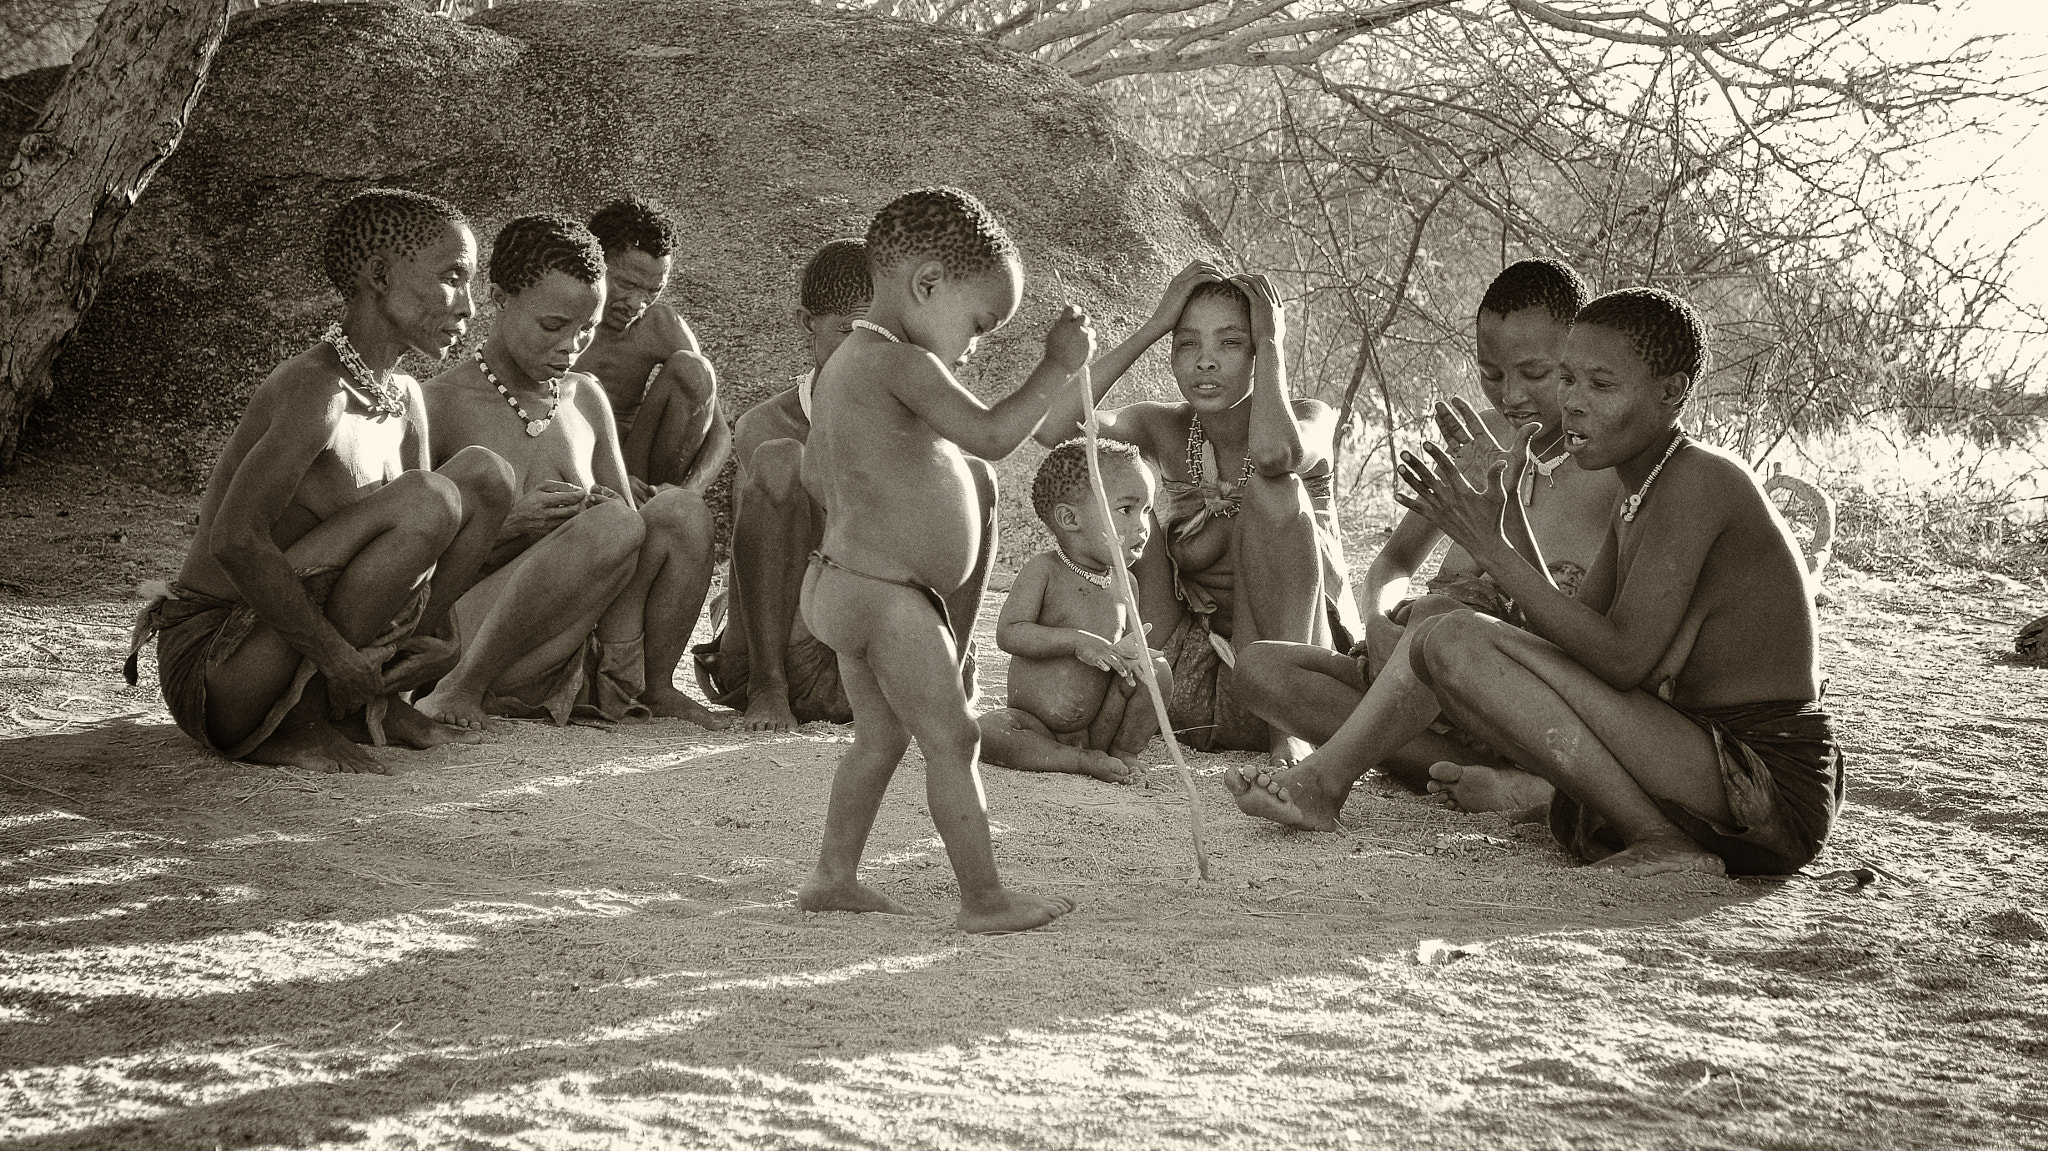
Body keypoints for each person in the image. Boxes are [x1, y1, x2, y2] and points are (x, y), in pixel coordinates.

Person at [1229, 287, 1844, 880]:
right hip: (1686, 754)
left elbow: (1624, 660)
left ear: (1671, 391)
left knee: (1452, 637)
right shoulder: (1644, 489)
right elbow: (1574, 635)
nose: (1574, 402)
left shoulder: (1701, 483)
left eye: (1601, 385)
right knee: (1443, 636)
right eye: (1570, 380)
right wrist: (1506, 521)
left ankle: (1658, 838)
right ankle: (1327, 786)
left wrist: (1491, 550)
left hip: (1757, 780)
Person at [126, 188, 514, 773]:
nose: (468, 307)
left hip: (300, 647)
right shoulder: (315, 392)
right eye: (453, 277)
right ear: (380, 277)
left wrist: (445, 637)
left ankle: (372, 702)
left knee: (487, 478)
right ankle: (301, 719)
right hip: (221, 667)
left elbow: (424, 553)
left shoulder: (404, 396)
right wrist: (335, 658)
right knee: (426, 498)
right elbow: (234, 540)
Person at [797, 186, 1093, 933]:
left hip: (839, 583)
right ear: (926, 285)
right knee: (954, 737)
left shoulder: (843, 366)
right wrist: (1057, 366)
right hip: (888, 599)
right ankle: (983, 896)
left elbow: (813, 471)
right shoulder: (904, 366)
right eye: (981, 325)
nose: (976, 345)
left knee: (880, 735)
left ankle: (834, 875)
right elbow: (993, 435)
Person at [1233, 258, 1618, 809]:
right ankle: (1488, 776)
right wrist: (1378, 620)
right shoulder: (1479, 440)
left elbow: (1591, 637)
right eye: (1491, 374)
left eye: (1535, 374)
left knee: (1441, 621)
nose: (1510, 396)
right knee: (1260, 670)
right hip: (1412, 680)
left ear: (1578, 360)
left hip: (1518, 696)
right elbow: (1394, 562)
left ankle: (1332, 776)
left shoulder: (1609, 471)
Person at [1036, 261, 1361, 760]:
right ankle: (1140, 690)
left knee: (1275, 492)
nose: (1205, 361)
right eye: (1188, 343)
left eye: (1230, 343)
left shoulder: (1306, 418)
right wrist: (1154, 324)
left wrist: (1272, 340)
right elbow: (1052, 429)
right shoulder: (1165, 427)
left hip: (1297, 681)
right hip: (1195, 681)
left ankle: (1286, 738)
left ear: (1257, 353)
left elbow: (1274, 457)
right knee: (1138, 519)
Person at [414, 213, 726, 730]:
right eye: (554, 327)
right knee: (614, 525)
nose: (571, 346)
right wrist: (512, 527)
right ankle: (460, 689)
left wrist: (599, 511)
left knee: (679, 513)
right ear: (499, 298)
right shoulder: (440, 403)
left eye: (587, 329)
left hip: (578, 630)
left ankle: (651, 685)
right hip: (473, 635)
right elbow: (409, 573)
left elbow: (629, 528)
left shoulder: (586, 397)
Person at [694, 238, 1000, 731]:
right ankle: (765, 689)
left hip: (878, 655)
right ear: (806, 324)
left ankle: (942, 686)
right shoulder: (769, 425)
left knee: (975, 477)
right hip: (786, 648)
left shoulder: (916, 408)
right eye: (846, 331)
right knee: (780, 461)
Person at [978, 438, 1171, 784]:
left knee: (1156, 671)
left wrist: (1130, 656)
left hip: (1100, 725)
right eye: (1126, 509)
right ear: (1070, 518)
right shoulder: (1044, 571)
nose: (1143, 526)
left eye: (1147, 511)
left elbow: (1129, 644)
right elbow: (1009, 632)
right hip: (1034, 724)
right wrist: (1075, 641)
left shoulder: (1127, 583)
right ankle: (1074, 761)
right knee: (989, 731)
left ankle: (1123, 751)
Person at [574, 196, 731, 496]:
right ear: (594, 263)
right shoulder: (560, 317)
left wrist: (688, 492)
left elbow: (719, 433)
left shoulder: (661, 326)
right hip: (568, 457)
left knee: (694, 370)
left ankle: (654, 504)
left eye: (653, 290)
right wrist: (602, 480)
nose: (637, 303)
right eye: (626, 284)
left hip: (634, 463)